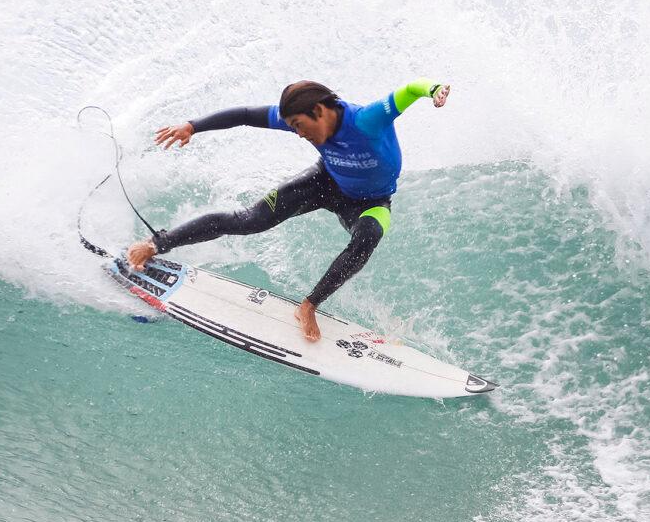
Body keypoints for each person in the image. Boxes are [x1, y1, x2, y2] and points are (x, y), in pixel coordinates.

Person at [127, 78, 451, 342]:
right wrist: (193, 126)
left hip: (371, 202)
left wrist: (433, 90)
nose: (298, 133)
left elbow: (409, 90)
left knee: (367, 238)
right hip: (323, 182)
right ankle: (156, 244)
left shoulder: (366, 120)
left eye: (299, 125)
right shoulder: (299, 118)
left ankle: (309, 305)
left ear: (319, 110)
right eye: (292, 126)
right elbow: (244, 114)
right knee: (250, 220)